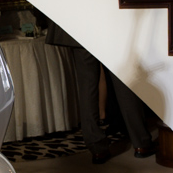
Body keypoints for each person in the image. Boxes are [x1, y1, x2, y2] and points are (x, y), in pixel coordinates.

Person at [47, 22, 155, 164]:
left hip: (80, 24)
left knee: (87, 87)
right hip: (107, 24)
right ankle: (141, 143)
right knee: (123, 82)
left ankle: (97, 148)